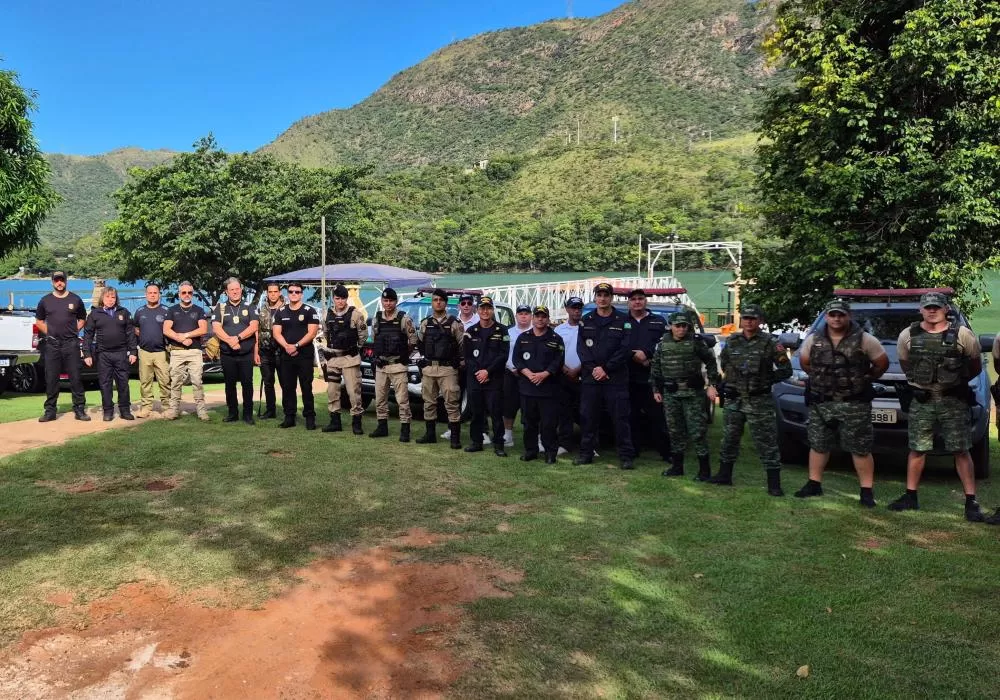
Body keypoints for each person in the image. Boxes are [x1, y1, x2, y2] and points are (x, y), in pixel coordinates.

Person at [889, 292, 985, 521]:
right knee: (917, 448)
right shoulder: (908, 335)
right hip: (922, 400)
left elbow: (975, 366)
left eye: (937, 307)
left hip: (953, 399)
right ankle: (910, 496)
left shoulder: (962, 334)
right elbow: (906, 365)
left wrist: (953, 384)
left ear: (945, 309)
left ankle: (971, 502)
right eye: (928, 307)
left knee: (960, 449)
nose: (932, 311)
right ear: (921, 310)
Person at [795, 299, 889, 506]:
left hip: (854, 403)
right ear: (827, 317)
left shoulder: (865, 339)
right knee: (818, 444)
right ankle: (814, 484)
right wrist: (823, 381)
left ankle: (866, 491)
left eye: (841, 315)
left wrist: (864, 379)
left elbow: (881, 364)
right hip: (822, 402)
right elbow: (805, 362)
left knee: (860, 448)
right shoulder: (814, 339)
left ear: (849, 316)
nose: (836, 318)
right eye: (832, 315)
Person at [713, 303, 792, 495]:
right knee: (729, 438)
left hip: (759, 400)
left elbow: (785, 370)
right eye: (746, 318)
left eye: (753, 318)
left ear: (760, 321)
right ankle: (724, 475)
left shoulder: (771, 343)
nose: (748, 322)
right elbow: (725, 363)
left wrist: (765, 381)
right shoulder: (732, 341)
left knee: (766, 441)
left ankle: (774, 484)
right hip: (735, 399)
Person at [650, 312, 721, 480]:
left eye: (684, 326)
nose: (681, 329)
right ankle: (677, 466)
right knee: (675, 431)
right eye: (678, 326)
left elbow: (711, 362)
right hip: (671, 394)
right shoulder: (662, 344)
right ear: (671, 326)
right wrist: (655, 390)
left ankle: (704, 470)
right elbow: (656, 368)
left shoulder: (696, 343)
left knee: (697, 431)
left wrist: (712, 384)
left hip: (692, 393)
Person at [576, 282, 635, 470]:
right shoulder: (586, 320)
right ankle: (586, 454)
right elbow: (582, 349)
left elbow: (625, 349)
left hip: (614, 379)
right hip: (591, 379)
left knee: (621, 419)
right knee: (588, 417)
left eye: (606, 295)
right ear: (595, 298)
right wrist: (594, 368)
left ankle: (626, 456)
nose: (602, 299)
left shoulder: (623, 320)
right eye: (599, 295)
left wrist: (606, 369)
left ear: (611, 298)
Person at [35, 271, 90, 422]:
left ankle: (79, 409)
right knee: (51, 379)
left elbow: (82, 318)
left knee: (76, 377)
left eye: (62, 280)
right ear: (52, 282)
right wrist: (50, 332)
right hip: (52, 345)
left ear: (66, 281)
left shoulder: (75, 299)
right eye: (56, 280)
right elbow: (39, 321)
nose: (59, 283)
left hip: (71, 344)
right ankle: (50, 411)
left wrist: (74, 331)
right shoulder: (45, 301)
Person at [513, 305, 565, 463]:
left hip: (548, 389)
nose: (540, 319)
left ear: (548, 319)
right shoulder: (523, 337)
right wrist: (527, 373)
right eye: (537, 316)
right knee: (529, 423)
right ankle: (531, 450)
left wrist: (545, 374)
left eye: (543, 316)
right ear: (533, 318)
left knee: (548, 424)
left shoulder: (556, 339)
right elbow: (517, 359)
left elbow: (559, 361)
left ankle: (550, 452)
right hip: (528, 388)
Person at [625, 289, 671, 463]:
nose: (637, 302)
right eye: (634, 299)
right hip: (628, 377)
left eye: (640, 299)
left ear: (645, 301)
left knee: (658, 417)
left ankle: (666, 452)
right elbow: (616, 344)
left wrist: (647, 355)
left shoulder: (658, 322)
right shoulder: (622, 321)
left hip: (652, 378)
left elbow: (664, 344)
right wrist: (633, 355)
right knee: (630, 417)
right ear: (629, 302)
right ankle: (633, 451)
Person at [416, 288, 465, 447]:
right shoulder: (425, 323)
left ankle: (455, 437)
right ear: (432, 303)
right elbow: (420, 344)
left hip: (448, 369)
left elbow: (462, 346)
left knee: (451, 401)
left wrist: (458, 363)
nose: (438, 303)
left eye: (441, 300)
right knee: (428, 401)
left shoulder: (454, 323)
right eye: (435, 300)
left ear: (445, 303)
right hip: (429, 368)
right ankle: (430, 434)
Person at [369, 287, 418, 441]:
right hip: (381, 365)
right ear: (382, 301)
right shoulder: (377, 317)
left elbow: (413, 340)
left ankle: (405, 429)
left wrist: (404, 355)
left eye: (391, 301)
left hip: (397, 365)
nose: (388, 303)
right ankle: (382, 426)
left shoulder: (404, 318)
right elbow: (374, 337)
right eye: (385, 300)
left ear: (396, 302)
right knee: (380, 398)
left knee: (402, 399)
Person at [463, 296, 509, 456]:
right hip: (475, 379)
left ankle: (499, 445)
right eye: (482, 308)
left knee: (496, 414)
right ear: (477, 310)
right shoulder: (470, 331)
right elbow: (467, 356)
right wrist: (479, 373)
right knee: (476, 413)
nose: (485, 311)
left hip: (493, 379)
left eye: (488, 308)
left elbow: (503, 355)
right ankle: (476, 442)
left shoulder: (502, 331)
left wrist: (487, 372)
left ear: (492, 310)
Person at [82, 287, 137, 421]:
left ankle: (125, 410)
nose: (110, 300)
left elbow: (130, 334)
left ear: (116, 298)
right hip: (103, 354)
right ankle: (108, 411)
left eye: (113, 297)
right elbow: (88, 335)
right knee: (105, 383)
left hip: (121, 353)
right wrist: (87, 354)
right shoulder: (95, 314)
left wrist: (133, 352)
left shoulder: (124, 312)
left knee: (123, 383)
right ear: (102, 298)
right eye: (107, 297)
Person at [271, 283, 320, 430]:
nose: (294, 294)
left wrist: (296, 346)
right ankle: (289, 417)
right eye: (291, 291)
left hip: (304, 355)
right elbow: (276, 333)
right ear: (287, 294)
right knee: (288, 388)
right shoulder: (280, 312)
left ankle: (310, 418)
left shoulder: (309, 311)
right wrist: (287, 347)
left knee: (306, 387)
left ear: (301, 294)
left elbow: (312, 333)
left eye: (297, 292)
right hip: (286, 355)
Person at [212, 277, 259, 425]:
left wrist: (237, 338)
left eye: (237, 289)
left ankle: (247, 414)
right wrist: (229, 341)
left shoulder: (250, 306)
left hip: (245, 354)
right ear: (226, 292)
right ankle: (232, 413)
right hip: (227, 354)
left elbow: (254, 327)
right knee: (229, 385)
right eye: (231, 290)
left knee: (247, 384)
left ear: (241, 289)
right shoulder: (220, 307)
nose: (235, 292)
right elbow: (216, 328)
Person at [321, 284, 368, 434]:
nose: (340, 301)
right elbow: (326, 333)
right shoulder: (327, 314)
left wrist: (355, 349)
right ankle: (335, 421)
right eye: (337, 298)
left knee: (354, 392)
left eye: (343, 298)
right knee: (332, 391)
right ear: (333, 299)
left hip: (349, 358)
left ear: (347, 299)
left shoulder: (355, 314)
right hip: (333, 358)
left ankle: (357, 422)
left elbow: (363, 336)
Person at [162, 281, 210, 421]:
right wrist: (181, 339)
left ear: (193, 294)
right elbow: (166, 329)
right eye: (184, 292)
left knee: (197, 381)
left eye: (189, 292)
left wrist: (187, 335)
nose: (187, 295)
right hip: (177, 351)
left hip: (194, 351)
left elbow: (203, 329)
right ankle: (174, 410)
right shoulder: (172, 310)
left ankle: (201, 411)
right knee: (175, 382)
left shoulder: (199, 310)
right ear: (179, 294)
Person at [132, 284, 171, 418]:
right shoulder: (139, 311)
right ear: (146, 294)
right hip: (144, 352)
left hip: (161, 352)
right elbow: (135, 328)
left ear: (159, 294)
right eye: (150, 293)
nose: (153, 295)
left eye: (155, 292)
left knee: (165, 381)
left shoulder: (166, 311)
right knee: (145, 382)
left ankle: (166, 407)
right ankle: (146, 407)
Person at [553, 297, 584, 456]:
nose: (576, 310)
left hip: (584, 375)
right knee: (564, 411)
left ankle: (589, 446)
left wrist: (578, 369)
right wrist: (565, 369)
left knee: (586, 412)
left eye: (579, 307)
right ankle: (565, 444)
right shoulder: (559, 330)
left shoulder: (588, 328)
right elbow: (555, 353)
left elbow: (593, 353)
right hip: (564, 376)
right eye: (573, 307)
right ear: (567, 309)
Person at [502, 304, 533, 446]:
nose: (524, 316)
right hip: (511, 373)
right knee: (509, 405)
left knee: (531, 407)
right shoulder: (508, 332)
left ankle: (535, 437)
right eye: (521, 313)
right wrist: (511, 367)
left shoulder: (536, 331)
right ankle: (508, 436)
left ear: (531, 316)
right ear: (516, 316)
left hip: (530, 375)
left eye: (526, 313)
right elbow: (504, 352)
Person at [256, 283, 285, 419]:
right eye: (270, 292)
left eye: (275, 291)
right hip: (265, 351)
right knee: (268, 382)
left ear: (280, 292)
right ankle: (270, 410)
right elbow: (257, 330)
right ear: (267, 293)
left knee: (286, 383)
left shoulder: (287, 308)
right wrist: (256, 351)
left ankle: (288, 411)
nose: (273, 294)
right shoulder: (262, 309)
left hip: (282, 351)